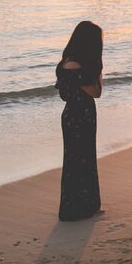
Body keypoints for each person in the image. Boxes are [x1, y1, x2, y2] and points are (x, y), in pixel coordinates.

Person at [54, 21, 103, 221]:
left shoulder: (65, 63)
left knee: (75, 160)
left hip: (71, 113)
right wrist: (96, 71)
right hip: (82, 114)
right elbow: (96, 92)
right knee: (83, 159)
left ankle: (78, 206)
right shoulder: (80, 67)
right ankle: (82, 207)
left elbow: (64, 93)